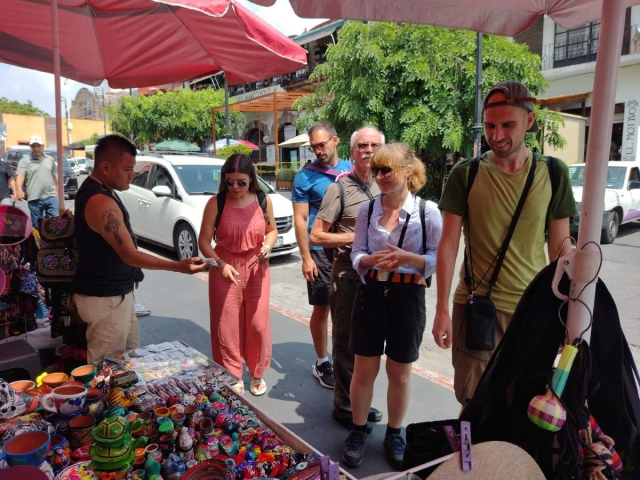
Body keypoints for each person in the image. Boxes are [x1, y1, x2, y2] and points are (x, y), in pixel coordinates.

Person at [433, 81, 577, 407]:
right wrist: (442, 308)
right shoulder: (465, 174)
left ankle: (510, 461)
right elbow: (448, 245)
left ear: (529, 121)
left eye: (507, 125)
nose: (496, 135)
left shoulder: (553, 173)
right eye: (489, 126)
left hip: (534, 309)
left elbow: (560, 249)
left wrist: (565, 310)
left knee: (524, 401)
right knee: (474, 401)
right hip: (478, 309)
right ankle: (477, 460)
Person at [342, 143, 442, 470]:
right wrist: (368, 259)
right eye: (376, 170)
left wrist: (406, 259)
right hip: (371, 293)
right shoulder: (368, 210)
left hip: (407, 297)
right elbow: (356, 253)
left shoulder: (427, 211)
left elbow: (437, 259)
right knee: (364, 369)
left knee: (399, 373)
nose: (380, 176)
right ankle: (358, 430)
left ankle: (394, 433)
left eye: (388, 170)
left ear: (408, 171)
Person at [74, 135, 207, 365]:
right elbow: (129, 253)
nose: (132, 174)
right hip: (105, 297)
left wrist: (133, 273)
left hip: (116, 293)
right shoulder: (99, 200)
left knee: (129, 360)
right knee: (107, 370)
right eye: (127, 169)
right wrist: (177, 266)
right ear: (105, 167)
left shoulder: (103, 190)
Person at [310, 126, 385, 432]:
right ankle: (344, 407)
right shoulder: (339, 188)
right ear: (352, 152)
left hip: (381, 279)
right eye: (362, 146)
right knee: (346, 343)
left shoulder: (390, 184)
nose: (368, 150)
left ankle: (360, 401)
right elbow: (317, 233)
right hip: (349, 276)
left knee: (370, 344)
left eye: (374, 145)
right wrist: (356, 237)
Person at [198, 154, 278, 396]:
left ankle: (256, 372)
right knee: (227, 326)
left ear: (251, 180)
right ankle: (232, 372)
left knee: (258, 324)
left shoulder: (263, 200)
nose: (234, 187)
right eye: (229, 181)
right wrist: (220, 264)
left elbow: (272, 231)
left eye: (241, 182)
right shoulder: (216, 203)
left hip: (257, 267)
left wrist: (267, 247)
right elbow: (203, 241)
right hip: (225, 267)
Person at [292, 121, 352, 389]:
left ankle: (345, 359)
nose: (317, 151)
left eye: (322, 144)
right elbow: (300, 218)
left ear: (335, 140)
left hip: (348, 248)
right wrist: (305, 257)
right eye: (313, 146)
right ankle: (321, 361)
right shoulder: (305, 177)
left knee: (348, 306)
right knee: (323, 305)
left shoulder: (351, 170)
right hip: (319, 250)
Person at [15, 135, 59, 228]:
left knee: (55, 224)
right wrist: (19, 191)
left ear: (42, 146)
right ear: (30, 147)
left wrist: (57, 194)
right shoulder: (24, 161)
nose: (36, 148)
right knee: (37, 226)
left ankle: (52, 242)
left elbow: (54, 177)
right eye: (33, 146)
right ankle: (40, 242)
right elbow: (20, 177)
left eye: (38, 146)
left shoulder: (50, 159)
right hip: (35, 198)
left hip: (51, 196)